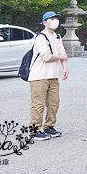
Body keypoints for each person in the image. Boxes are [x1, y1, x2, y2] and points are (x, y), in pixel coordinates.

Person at [28, 11, 68, 141]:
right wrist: (61, 57)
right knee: (38, 104)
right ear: (45, 22)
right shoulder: (41, 37)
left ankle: (49, 126)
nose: (55, 21)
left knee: (54, 102)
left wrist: (64, 67)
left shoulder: (57, 36)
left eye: (56, 18)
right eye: (52, 19)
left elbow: (63, 53)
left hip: (53, 75)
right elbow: (46, 56)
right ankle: (34, 131)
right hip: (39, 75)